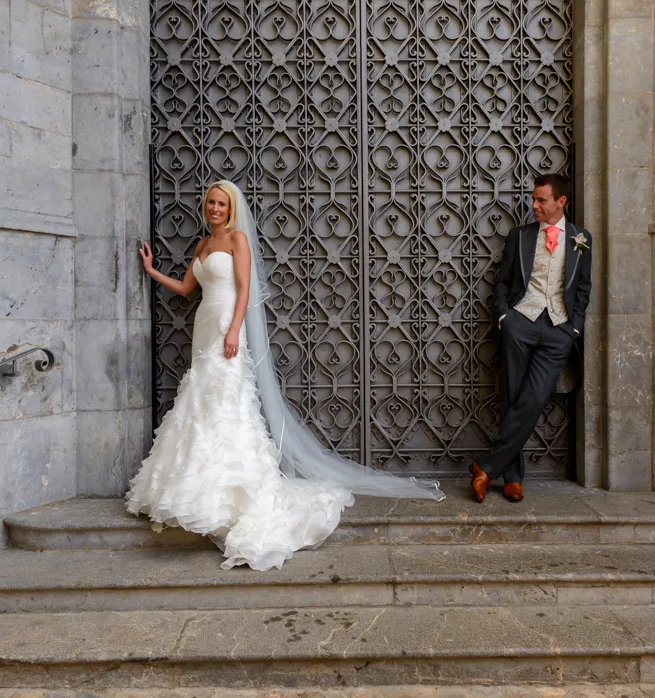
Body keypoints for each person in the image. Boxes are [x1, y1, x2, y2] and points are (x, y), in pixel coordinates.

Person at [126, 180, 444, 570]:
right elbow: (186, 288)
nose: (214, 209)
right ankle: (197, 488)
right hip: (204, 327)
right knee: (201, 404)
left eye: (221, 204)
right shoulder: (202, 246)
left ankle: (230, 492)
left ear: (230, 208)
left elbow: (244, 289)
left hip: (227, 326)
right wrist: (151, 270)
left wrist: (233, 330)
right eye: (210, 202)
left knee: (227, 405)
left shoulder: (238, 240)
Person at [469, 174, 592, 503]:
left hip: (559, 329)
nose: (534, 205)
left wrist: (574, 327)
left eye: (541, 200)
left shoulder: (581, 238)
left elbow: (582, 287)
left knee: (533, 399)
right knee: (512, 397)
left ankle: (486, 467)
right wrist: (505, 318)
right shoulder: (519, 236)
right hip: (520, 322)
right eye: (533, 199)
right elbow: (503, 283)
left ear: (560, 202)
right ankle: (512, 478)